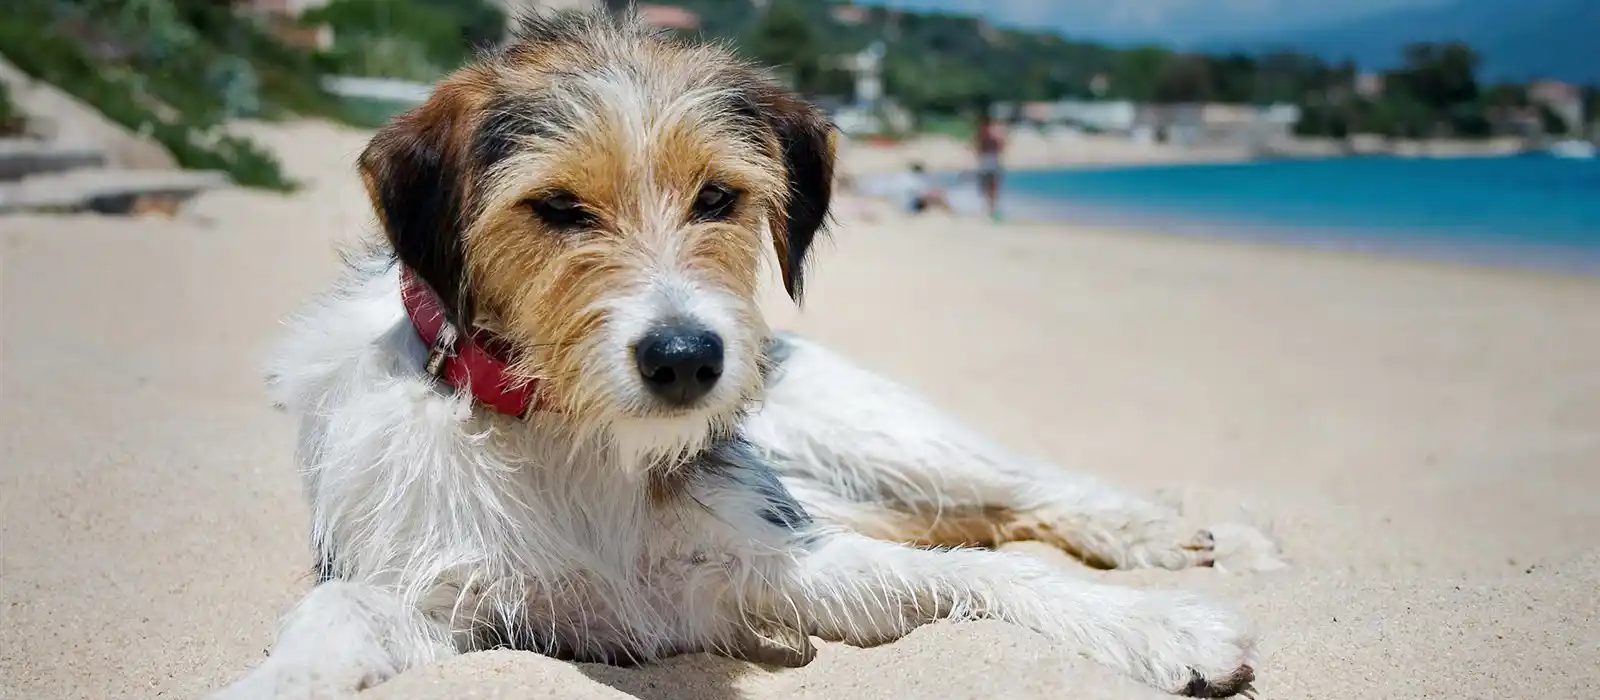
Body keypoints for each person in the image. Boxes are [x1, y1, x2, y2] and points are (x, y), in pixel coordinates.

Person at [973, 110, 1006, 221]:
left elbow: (977, 147)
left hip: (987, 161)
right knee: (990, 187)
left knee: (989, 187)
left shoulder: (982, 134)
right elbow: (1001, 147)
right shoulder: (992, 134)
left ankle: (990, 210)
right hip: (990, 161)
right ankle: (991, 210)